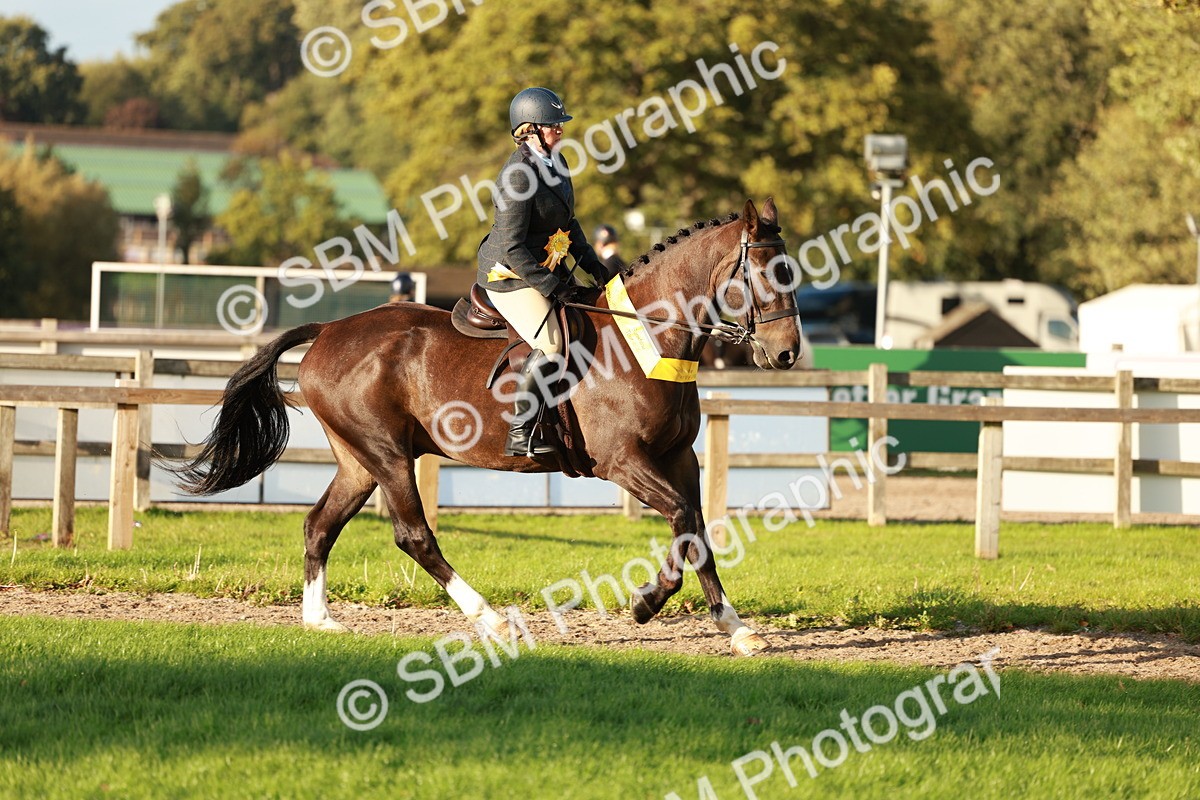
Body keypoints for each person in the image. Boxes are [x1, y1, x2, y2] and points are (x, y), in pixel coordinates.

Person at [476, 87, 607, 457]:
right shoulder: (517, 176)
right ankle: (521, 431)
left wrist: (592, 264)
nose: (560, 130)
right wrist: (553, 286)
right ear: (528, 130)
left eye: (559, 124)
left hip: (544, 263)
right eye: (552, 125)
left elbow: (569, 222)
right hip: (511, 274)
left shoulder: (557, 164)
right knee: (550, 344)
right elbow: (513, 247)